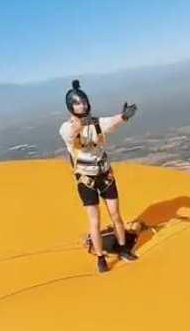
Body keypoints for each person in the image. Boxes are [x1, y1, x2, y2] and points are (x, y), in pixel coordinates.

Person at [59, 80, 138, 273]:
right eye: (77, 103)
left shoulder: (96, 123)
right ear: (71, 106)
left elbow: (111, 122)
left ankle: (123, 248)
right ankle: (101, 257)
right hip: (86, 180)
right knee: (95, 220)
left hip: (105, 175)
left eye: (83, 101)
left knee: (116, 215)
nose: (82, 105)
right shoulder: (66, 128)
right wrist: (81, 122)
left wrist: (124, 116)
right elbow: (71, 133)